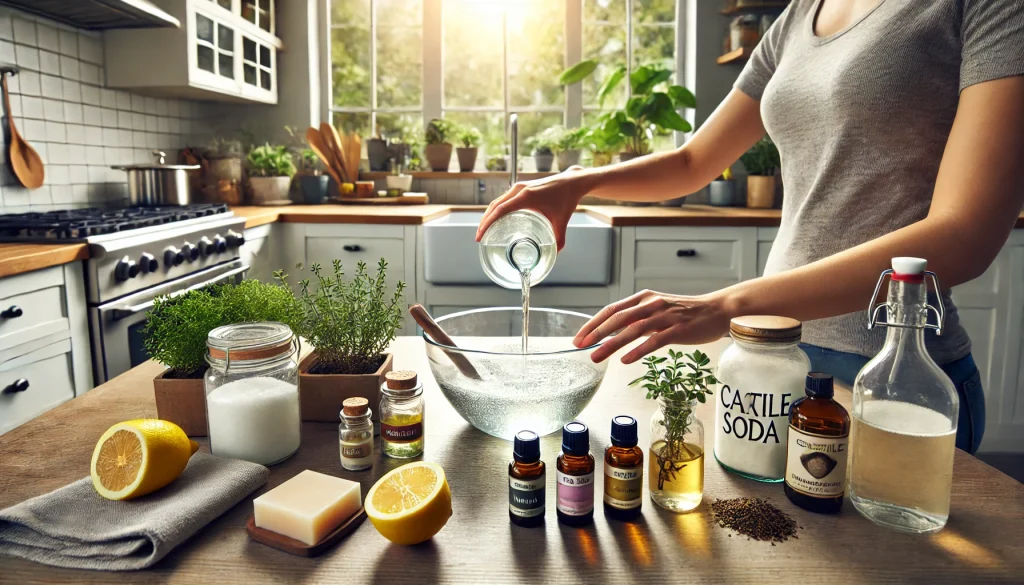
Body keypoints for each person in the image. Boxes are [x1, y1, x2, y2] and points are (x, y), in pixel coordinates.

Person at [476, 0, 1024, 454]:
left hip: (893, 377)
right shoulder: (799, 15)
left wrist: (727, 306)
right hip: (774, 360)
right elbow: (695, 162)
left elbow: (965, 235)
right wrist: (577, 181)